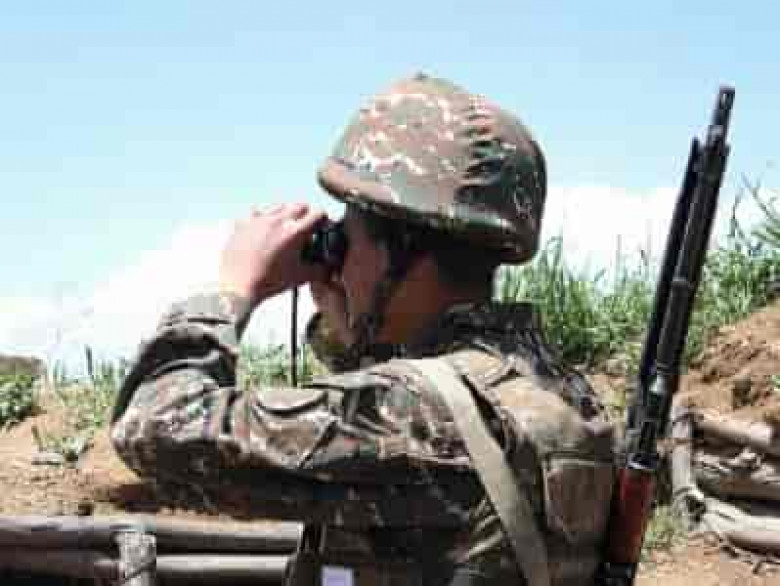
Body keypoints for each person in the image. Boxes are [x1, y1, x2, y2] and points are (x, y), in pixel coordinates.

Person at [111, 73, 615, 586]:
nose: (336, 261)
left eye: (346, 239)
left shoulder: (412, 412)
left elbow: (154, 429)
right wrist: (353, 333)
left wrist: (233, 290)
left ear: (404, 250)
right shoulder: (561, 393)